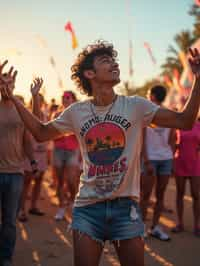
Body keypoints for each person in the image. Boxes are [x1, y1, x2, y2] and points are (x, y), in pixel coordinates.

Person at [1, 42, 200, 266]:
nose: (114, 63)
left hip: (126, 208)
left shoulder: (136, 106)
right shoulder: (77, 112)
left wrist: (198, 79)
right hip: (87, 209)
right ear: (90, 73)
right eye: (106, 60)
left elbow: (185, 120)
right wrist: (14, 99)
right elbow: (40, 132)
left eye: (114, 59)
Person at [0, 64, 38, 266]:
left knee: (9, 221)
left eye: (9, 82)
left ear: (14, 85)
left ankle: (5, 257)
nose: (6, 85)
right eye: (2, 82)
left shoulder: (19, 109)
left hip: (15, 173)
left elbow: (29, 135)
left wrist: (32, 160)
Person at [140, 85, 176, 241]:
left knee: (160, 195)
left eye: (149, 94)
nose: (148, 96)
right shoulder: (145, 114)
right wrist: (146, 160)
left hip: (165, 159)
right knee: (145, 195)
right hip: (151, 160)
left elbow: (173, 138)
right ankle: (140, 228)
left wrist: (170, 157)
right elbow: (142, 138)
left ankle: (155, 227)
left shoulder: (169, 114)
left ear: (153, 96)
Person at [18, 78, 48, 222]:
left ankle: (34, 206)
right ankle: (22, 210)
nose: (39, 102)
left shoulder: (47, 116)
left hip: (42, 154)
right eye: (37, 100)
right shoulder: (28, 115)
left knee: (39, 181)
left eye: (41, 100)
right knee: (26, 182)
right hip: (30, 154)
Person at [52, 91, 81, 220]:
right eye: (63, 97)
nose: (65, 99)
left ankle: (73, 201)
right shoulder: (57, 114)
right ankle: (61, 207)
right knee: (59, 181)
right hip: (58, 150)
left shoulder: (78, 115)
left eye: (68, 97)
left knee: (71, 180)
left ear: (73, 100)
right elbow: (51, 133)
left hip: (72, 150)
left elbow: (81, 136)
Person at [172, 116, 200, 236]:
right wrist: (172, 164)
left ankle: (197, 225)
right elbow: (173, 144)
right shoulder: (179, 125)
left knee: (196, 194)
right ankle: (180, 223)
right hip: (180, 162)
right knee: (180, 193)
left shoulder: (199, 125)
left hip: (195, 163)